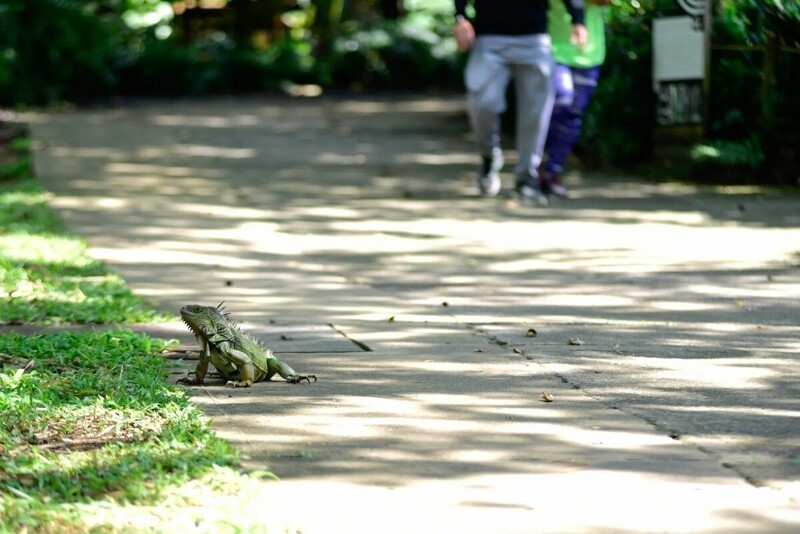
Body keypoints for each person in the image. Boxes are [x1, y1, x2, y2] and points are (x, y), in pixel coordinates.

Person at [454, 0, 587, 205]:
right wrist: (460, 17)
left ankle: (526, 178)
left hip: (534, 39)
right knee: (483, 104)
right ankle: (489, 156)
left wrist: (579, 21)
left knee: (535, 113)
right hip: (489, 37)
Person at [541, 0, 608, 198]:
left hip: (589, 52)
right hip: (552, 49)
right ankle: (537, 163)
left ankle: (552, 172)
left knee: (573, 114)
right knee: (561, 99)